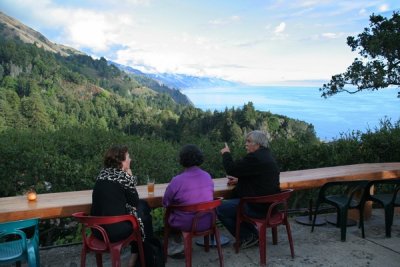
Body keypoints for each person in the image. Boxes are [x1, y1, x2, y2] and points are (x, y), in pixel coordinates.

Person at [91, 144, 153, 267]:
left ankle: (138, 255)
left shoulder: (101, 175)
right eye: (128, 157)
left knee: (142, 207)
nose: (130, 160)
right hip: (114, 232)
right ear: (121, 162)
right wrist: (129, 176)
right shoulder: (123, 177)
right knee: (144, 215)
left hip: (97, 230)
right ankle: (143, 256)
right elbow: (134, 202)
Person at [216, 130, 280, 249]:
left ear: (258, 144)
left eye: (249, 141)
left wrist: (226, 154)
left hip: (258, 207)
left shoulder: (255, 157)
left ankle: (247, 236)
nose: (246, 144)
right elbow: (259, 179)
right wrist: (239, 180)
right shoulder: (267, 156)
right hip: (271, 207)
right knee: (232, 206)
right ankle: (252, 235)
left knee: (219, 209)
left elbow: (232, 169)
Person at [162, 144, 214, 256]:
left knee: (168, 215)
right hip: (208, 221)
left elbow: (166, 202)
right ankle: (180, 245)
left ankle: (177, 245)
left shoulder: (177, 180)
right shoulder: (207, 176)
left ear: (182, 159)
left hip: (186, 224)